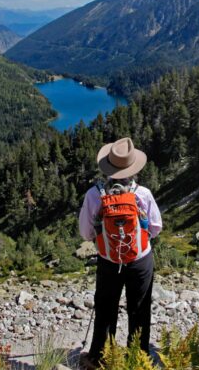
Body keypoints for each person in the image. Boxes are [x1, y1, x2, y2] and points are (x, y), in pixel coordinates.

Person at [78, 137, 162, 369]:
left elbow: (86, 233)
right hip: (140, 260)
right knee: (140, 309)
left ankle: (100, 358)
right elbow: (155, 228)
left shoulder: (94, 195)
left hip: (108, 260)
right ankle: (139, 358)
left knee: (106, 308)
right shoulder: (142, 194)